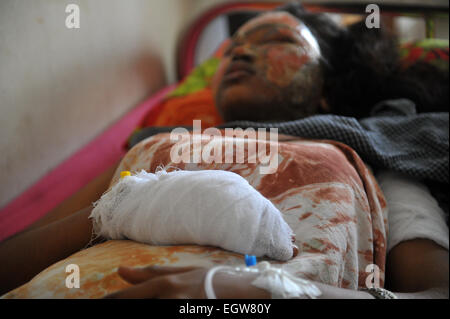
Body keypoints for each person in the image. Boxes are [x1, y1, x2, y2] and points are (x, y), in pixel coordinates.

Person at [0, 3, 448, 299]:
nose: (240, 55)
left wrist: (260, 293)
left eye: (277, 41)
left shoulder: (369, 154)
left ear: (328, 90)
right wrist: (124, 210)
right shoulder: (158, 144)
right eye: (234, 47)